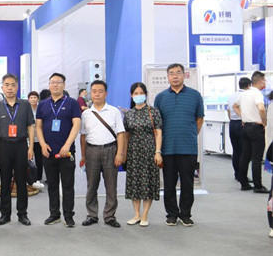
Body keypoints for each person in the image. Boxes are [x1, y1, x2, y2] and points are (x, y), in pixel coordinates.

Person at [154, 63, 204, 227]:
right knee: (169, 184)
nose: (175, 76)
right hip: (167, 148)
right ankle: (172, 214)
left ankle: (185, 214)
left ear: (184, 75)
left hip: (188, 147)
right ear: (167, 77)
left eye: (178, 73)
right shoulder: (160, 97)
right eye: (171, 73)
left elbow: (199, 119)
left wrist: (190, 134)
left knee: (188, 183)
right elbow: (157, 124)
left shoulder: (195, 95)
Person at [36, 73, 82, 228]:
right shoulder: (43, 104)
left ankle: (68, 216)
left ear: (64, 85)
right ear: (49, 85)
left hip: (66, 152)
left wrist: (67, 145)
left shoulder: (72, 103)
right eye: (52, 82)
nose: (55, 85)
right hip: (48, 151)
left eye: (58, 82)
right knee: (52, 185)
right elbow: (38, 127)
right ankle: (54, 214)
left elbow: (76, 125)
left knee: (68, 185)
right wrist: (42, 144)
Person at [80, 80, 126, 228]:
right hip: (91, 151)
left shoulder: (114, 111)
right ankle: (92, 215)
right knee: (91, 185)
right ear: (90, 94)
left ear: (106, 94)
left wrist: (120, 153)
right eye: (94, 91)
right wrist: (83, 155)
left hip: (110, 150)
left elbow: (121, 133)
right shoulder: (86, 114)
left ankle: (110, 216)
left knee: (111, 186)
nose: (97, 94)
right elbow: (83, 136)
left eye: (100, 91)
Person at [0, 74, 34, 226]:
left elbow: (30, 126)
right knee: (4, 181)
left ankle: (22, 214)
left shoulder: (25, 105)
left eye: (13, 85)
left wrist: (31, 147)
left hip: (21, 145)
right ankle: (5, 214)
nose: (10, 88)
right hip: (3, 146)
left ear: (17, 87)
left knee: (22, 181)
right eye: (7, 85)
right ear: (2, 87)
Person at [122, 82, 162, 227]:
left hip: (149, 151)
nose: (138, 96)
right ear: (131, 95)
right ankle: (136, 214)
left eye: (141, 93)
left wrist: (158, 151)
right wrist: (124, 153)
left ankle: (145, 214)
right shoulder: (129, 113)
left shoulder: (153, 111)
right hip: (133, 152)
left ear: (145, 94)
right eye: (136, 93)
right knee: (135, 183)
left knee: (148, 182)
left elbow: (158, 133)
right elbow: (126, 135)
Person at [233, 71, 268, 193]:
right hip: (256, 128)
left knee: (245, 156)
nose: (265, 83)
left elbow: (235, 106)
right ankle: (258, 186)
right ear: (260, 81)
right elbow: (261, 109)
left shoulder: (244, 94)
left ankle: (244, 183)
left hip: (245, 127)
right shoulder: (257, 94)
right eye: (264, 80)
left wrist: (244, 117)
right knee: (256, 157)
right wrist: (264, 121)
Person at [227, 78, 251, 181]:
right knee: (244, 152)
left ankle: (237, 174)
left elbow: (228, 110)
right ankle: (242, 176)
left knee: (236, 151)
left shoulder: (232, 96)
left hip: (232, 123)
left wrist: (232, 120)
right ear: (249, 85)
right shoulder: (246, 96)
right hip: (242, 123)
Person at [28, 91, 44, 186]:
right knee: (29, 158)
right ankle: (30, 177)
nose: (33, 99)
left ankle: (38, 177)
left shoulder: (41, 109)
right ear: (28, 99)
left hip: (38, 138)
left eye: (35, 97)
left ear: (38, 99)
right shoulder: (26, 109)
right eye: (31, 97)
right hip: (28, 138)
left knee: (39, 158)